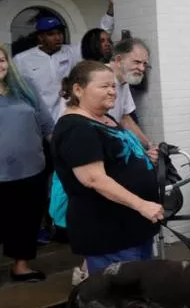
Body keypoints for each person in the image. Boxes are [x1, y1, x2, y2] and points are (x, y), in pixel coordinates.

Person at [51, 61, 163, 276]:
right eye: (104, 86)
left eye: (113, 86)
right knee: (119, 300)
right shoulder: (76, 127)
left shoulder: (104, 118)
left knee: (139, 295)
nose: (112, 91)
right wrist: (141, 205)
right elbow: (93, 178)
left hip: (134, 228)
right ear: (78, 89)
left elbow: (118, 159)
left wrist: (145, 159)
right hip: (109, 233)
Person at [0, 44, 55, 282]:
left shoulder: (24, 88)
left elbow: (47, 125)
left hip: (32, 169)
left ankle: (21, 267)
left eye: (1, 60)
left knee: (27, 220)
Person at [14, 16, 84, 120]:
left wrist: (110, 12)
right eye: (51, 34)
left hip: (66, 116)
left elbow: (95, 40)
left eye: (59, 33)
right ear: (41, 37)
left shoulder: (71, 52)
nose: (58, 37)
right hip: (38, 119)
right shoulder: (21, 59)